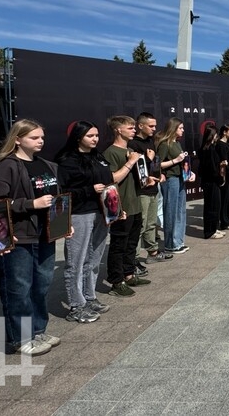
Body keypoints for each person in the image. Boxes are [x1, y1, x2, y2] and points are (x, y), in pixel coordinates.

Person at [0, 119, 63, 356]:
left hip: (45, 233)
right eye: (33, 137)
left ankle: (38, 329)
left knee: (41, 284)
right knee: (18, 287)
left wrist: (63, 223)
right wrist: (30, 204)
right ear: (17, 139)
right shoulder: (6, 166)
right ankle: (19, 337)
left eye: (41, 137)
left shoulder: (47, 165)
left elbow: (57, 199)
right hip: (18, 236)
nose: (40, 141)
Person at [55, 120, 112, 323]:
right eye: (90, 136)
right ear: (79, 137)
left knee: (94, 258)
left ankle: (89, 297)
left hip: (101, 212)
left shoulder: (98, 156)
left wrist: (115, 209)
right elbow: (62, 192)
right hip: (79, 213)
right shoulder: (68, 160)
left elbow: (109, 182)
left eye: (97, 135)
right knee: (76, 262)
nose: (95, 139)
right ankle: (76, 305)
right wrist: (89, 190)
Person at [103, 116, 147, 298]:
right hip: (121, 207)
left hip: (135, 202)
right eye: (130, 128)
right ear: (118, 130)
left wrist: (147, 178)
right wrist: (130, 162)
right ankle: (116, 281)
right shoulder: (110, 153)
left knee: (132, 243)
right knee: (118, 245)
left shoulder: (130, 150)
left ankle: (129, 274)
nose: (134, 130)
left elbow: (136, 178)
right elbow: (112, 178)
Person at [130, 112, 169, 266]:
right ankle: (133, 259)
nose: (154, 129)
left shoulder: (151, 141)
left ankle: (152, 251)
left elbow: (155, 161)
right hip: (141, 191)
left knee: (151, 223)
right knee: (141, 224)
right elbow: (136, 167)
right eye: (151, 126)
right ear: (141, 126)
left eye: (155, 126)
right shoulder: (133, 144)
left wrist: (160, 173)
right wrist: (148, 159)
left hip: (153, 187)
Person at [156, 117, 190, 253]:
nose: (183, 130)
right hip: (170, 179)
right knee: (171, 211)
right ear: (173, 128)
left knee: (180, 210)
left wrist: (188, 172)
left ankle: (178, 241)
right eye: (180, 128)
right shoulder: (165, 144)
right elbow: (158, 164)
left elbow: (181, 162)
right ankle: (170, 244)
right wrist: (176, 160)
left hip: (180, 178)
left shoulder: (177, 143)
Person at [198, 125, 224, 239]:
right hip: (211, 181)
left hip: (211, 181)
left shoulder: (209, 148)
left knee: (215, 205)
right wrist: (220, 178)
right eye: (216, 134)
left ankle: (214, 228)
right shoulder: (209, 150)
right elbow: (213, 168)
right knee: (211, 206)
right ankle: (210, 231)